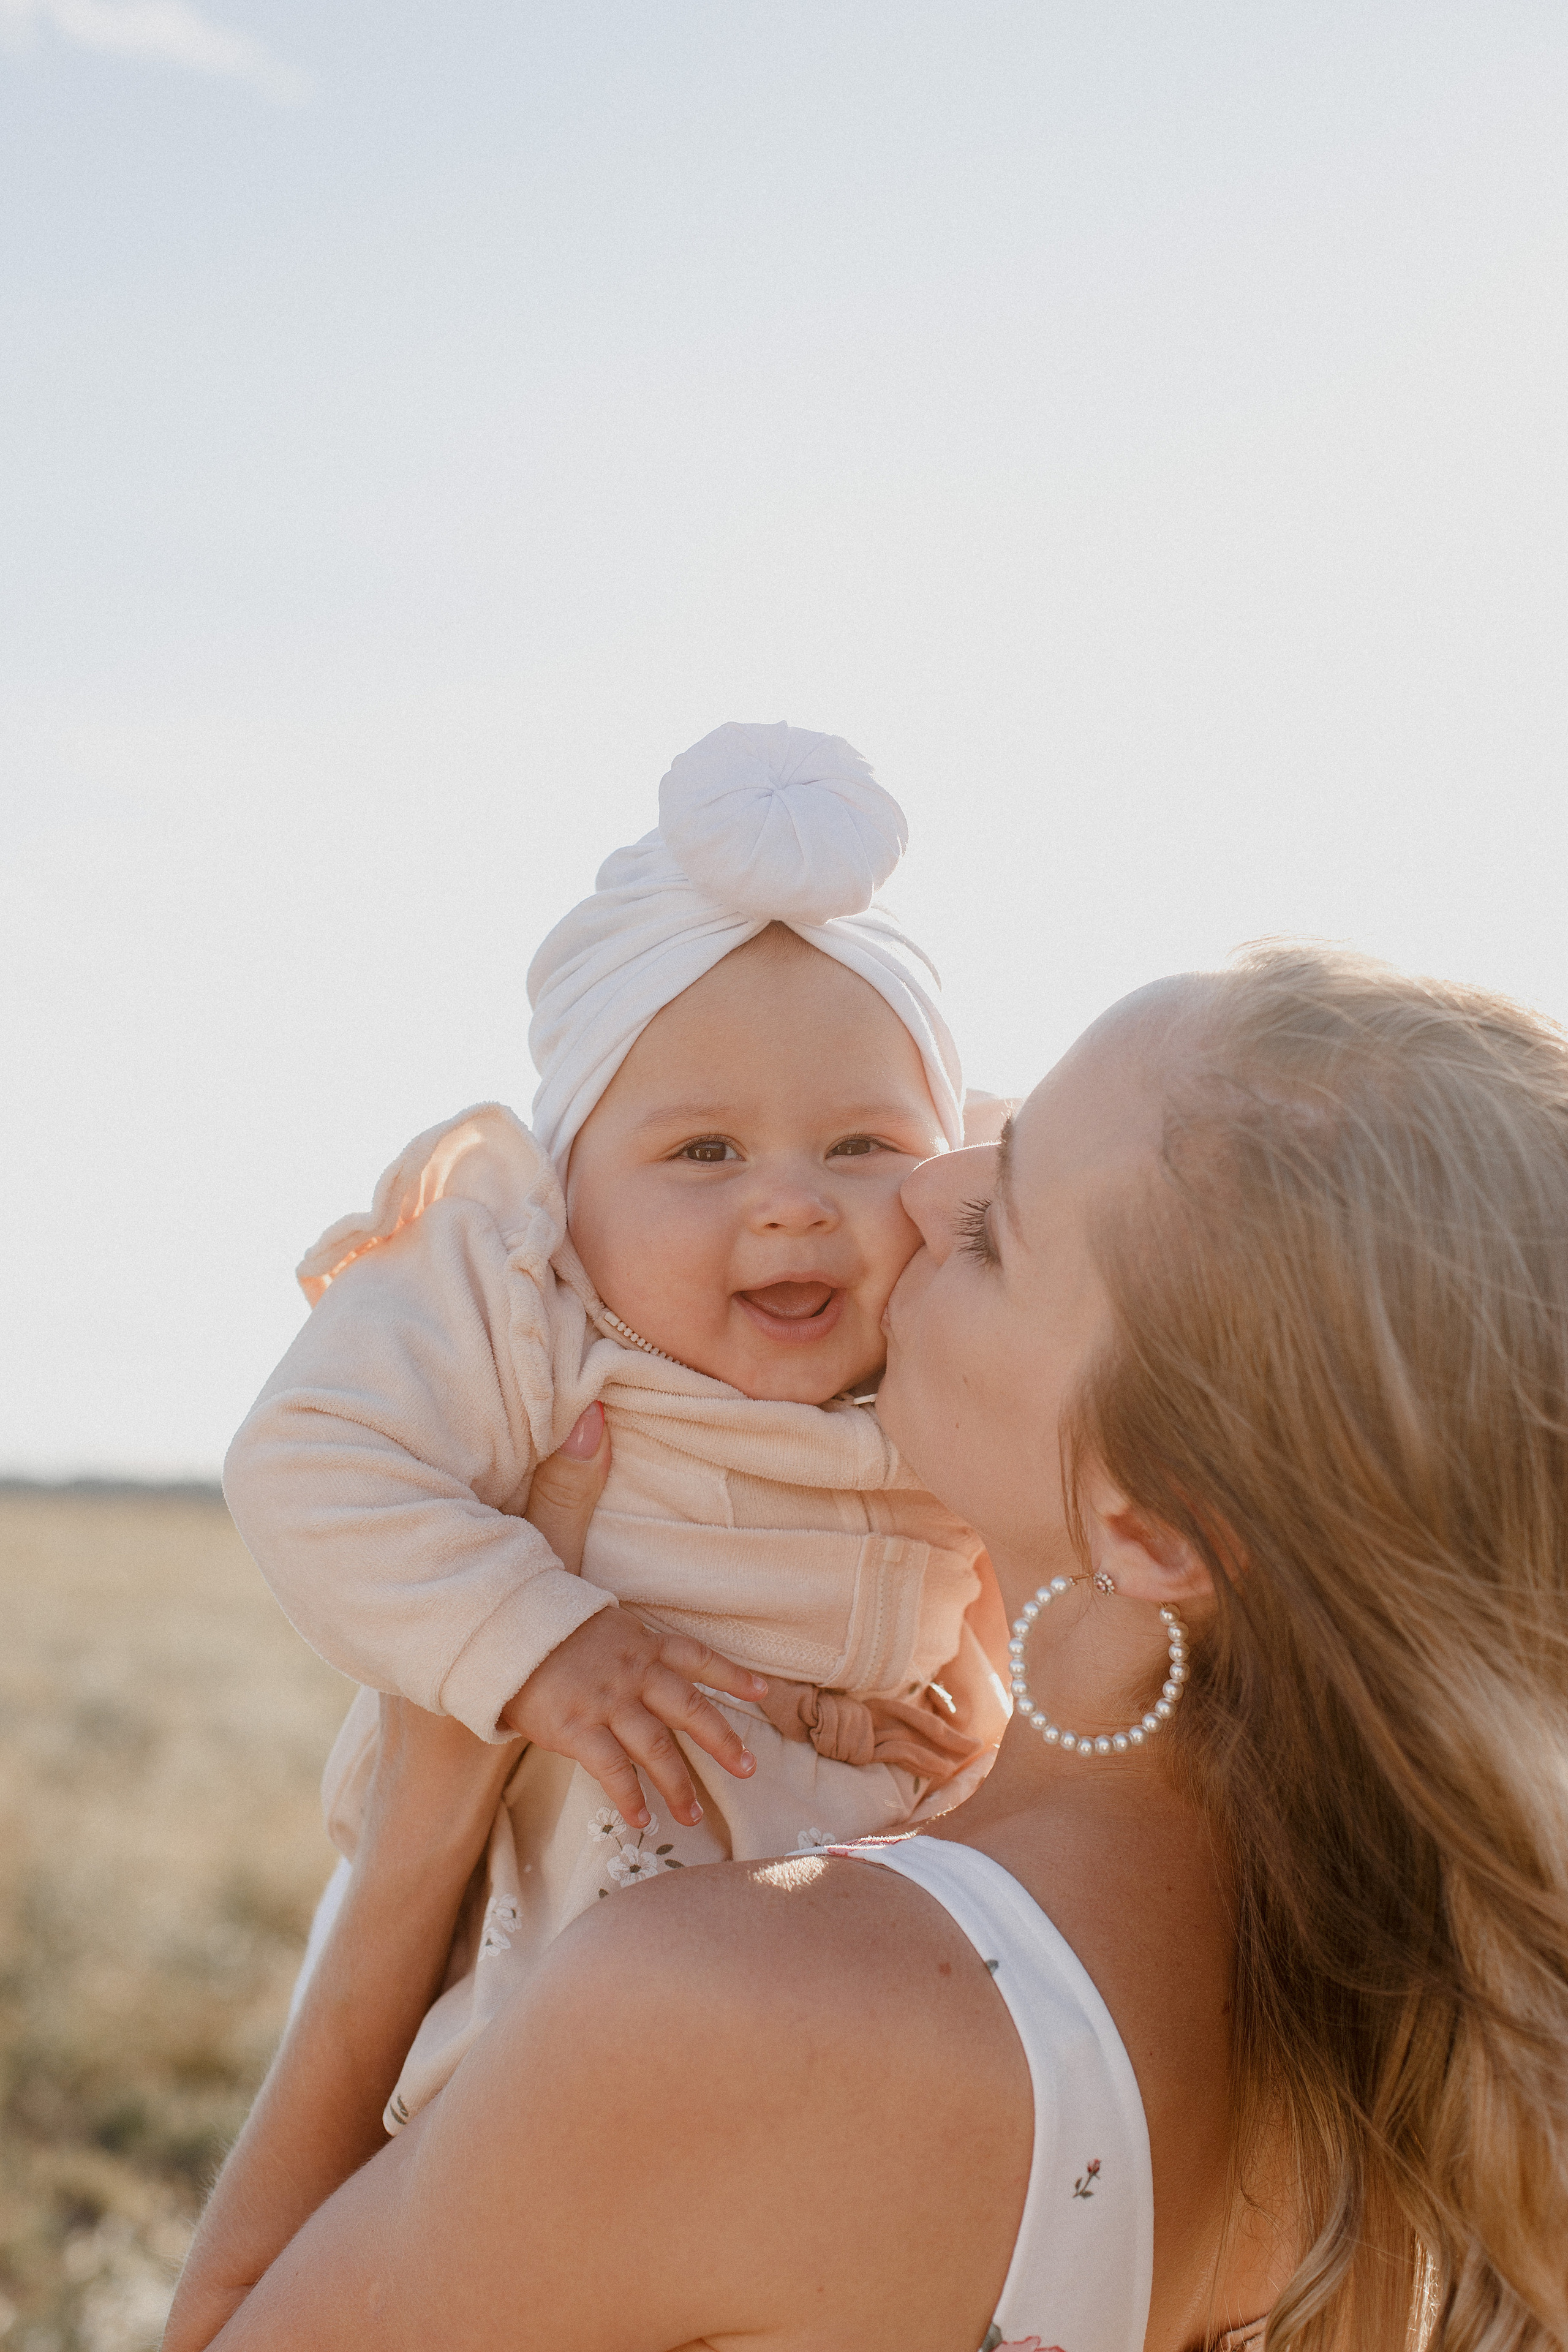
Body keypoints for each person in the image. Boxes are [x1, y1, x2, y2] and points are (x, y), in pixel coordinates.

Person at [170, 944, 1568, 2352]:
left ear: (1149, 1528)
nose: (918, 1189)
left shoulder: (723, 2009)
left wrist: (415, 1834)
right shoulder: (1382, 2051)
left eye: (995, 1226)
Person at [222, 720, 1011, 2133]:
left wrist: (990, 1673)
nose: (791, 1202)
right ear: (565, 1187)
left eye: (861, 1147)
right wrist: (535, 1636)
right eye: (703, 1152)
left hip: (854, 1930)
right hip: (554, 1911)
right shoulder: (528, 1306)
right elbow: (312, 1461)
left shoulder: (947, 1338)